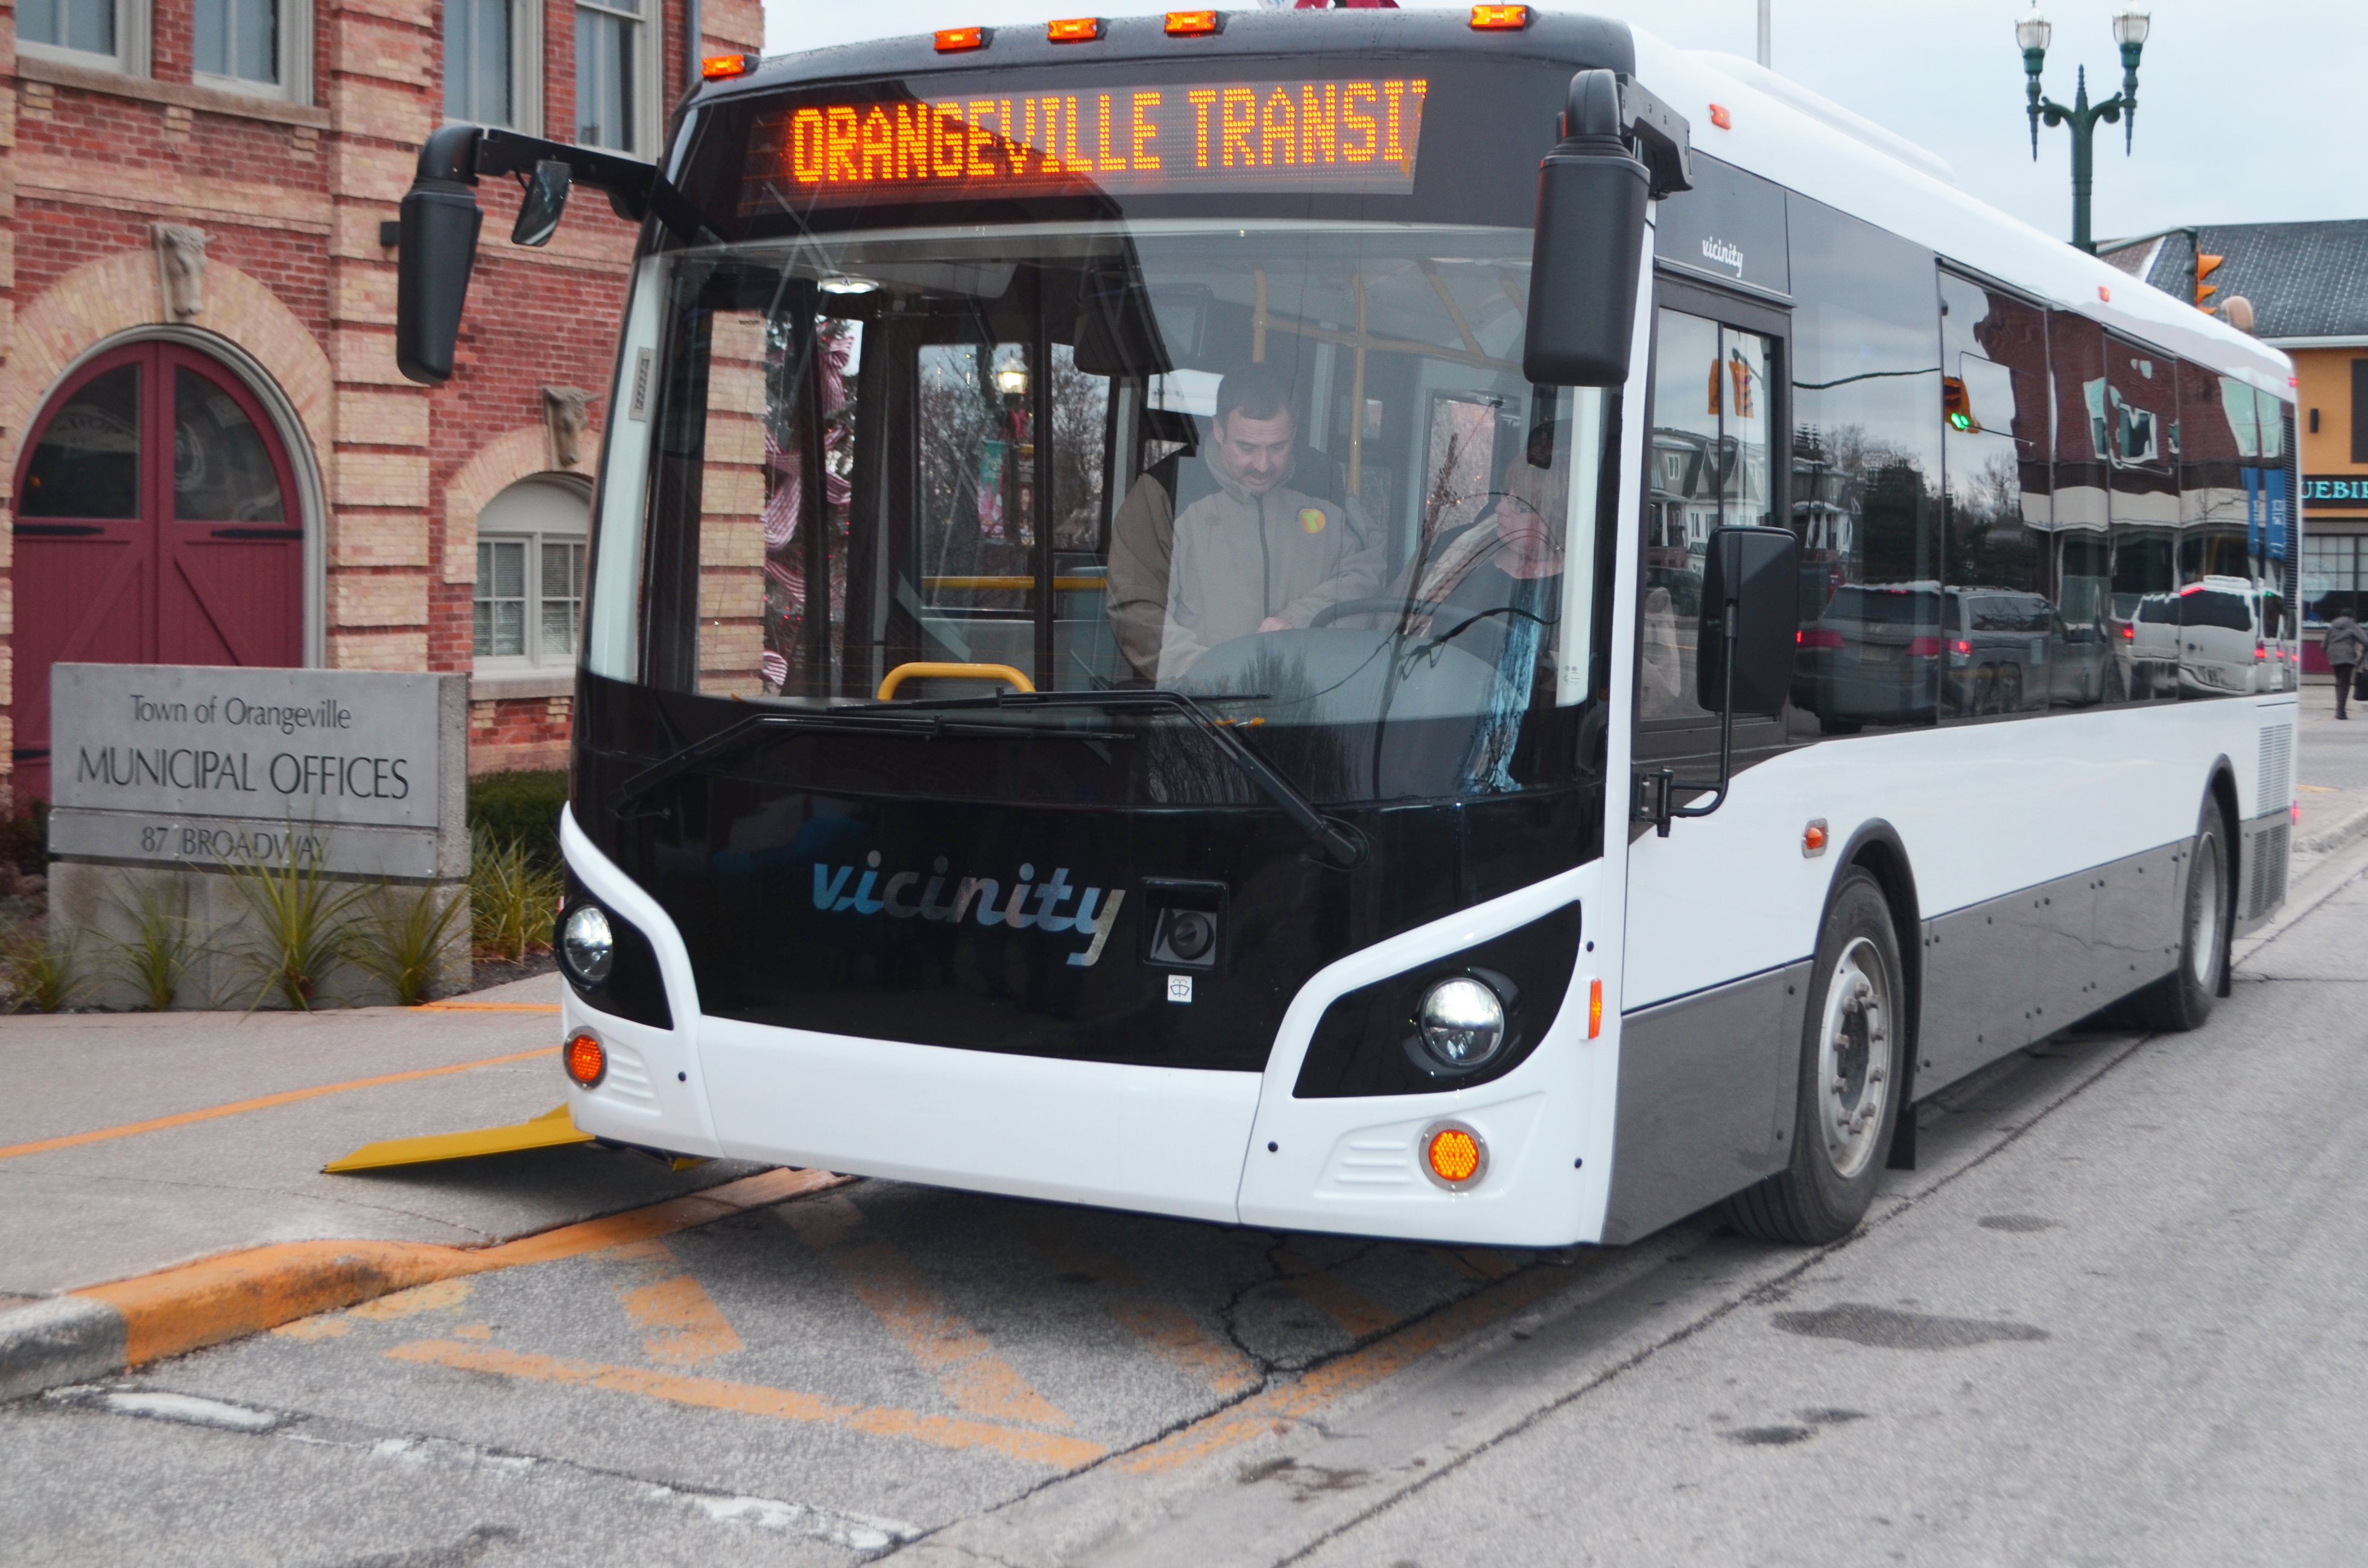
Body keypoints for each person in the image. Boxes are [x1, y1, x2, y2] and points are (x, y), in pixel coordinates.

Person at [1145, 365, 1384, 683]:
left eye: (1278, 448)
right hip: (1197, 713)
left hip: (1310, 707)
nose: (1262, 465)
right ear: (1218, 430)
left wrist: (1297, 620)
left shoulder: (1327, 485)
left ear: (1295, 432)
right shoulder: (1167, 491)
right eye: (1247, 448)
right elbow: (1139, 611)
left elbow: (1368, 574)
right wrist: (1218, 676)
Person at [2326, 609, 2367, 720]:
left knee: (2339, 682)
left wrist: (2331, 653)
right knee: (2345, 683)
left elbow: (2324, 644)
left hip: (2334, 657)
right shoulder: (2352, 625)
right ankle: (2340, 711)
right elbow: (2365, 640)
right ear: (2352, 617)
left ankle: (2339, 708)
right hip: (2347, 656)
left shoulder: (2332, 626)